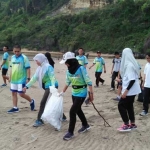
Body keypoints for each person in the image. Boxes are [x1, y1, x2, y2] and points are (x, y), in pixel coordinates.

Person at [23, 53, 66, 127]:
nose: (36, 62)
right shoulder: (39, 68)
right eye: (35, 61)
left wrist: (52, 87)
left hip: (51, 86)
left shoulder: (48, 67)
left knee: (43, 102)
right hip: (46, 86)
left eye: (37, 61)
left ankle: (39, 120)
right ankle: (63, 117)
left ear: (41, 60)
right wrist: (26, 86)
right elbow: (34, 78)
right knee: (52, 102)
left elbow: (52, 77)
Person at [59, 52, 93, 140]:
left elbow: (88, 81)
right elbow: (67, 82)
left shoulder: (81, 68)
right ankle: (85, 125)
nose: (65, 64)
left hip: (82, 92)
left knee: (72, 111)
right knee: (78, 110)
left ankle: (70, 132)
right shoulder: (68, 70)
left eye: (66, 62)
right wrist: (62, 92)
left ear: (71, 61)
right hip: (74, 93)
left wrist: (91, 94)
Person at [117, 48, 141, 131]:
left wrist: (125, 92)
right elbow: (129, 78)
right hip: (132, 90)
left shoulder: (130, 65)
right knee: (129, 106)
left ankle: (126, 124)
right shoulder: (129, 64)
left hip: (130, 91)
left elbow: (132, 80)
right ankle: (132, 124)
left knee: (121, 105)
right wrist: (121, 80)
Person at [7, 45, 35, 113]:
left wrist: (28, 78)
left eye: (18, 51)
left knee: (21, 94)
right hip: (14, 79)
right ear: (13, 51)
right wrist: (10, 77)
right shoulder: (12, 57)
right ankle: (15, 107)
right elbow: (11, 68)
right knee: (13, 93)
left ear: (20, 50)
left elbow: (28, 68)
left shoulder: (24, 58)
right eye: (15, 51)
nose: (16, 53)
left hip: (21, 79)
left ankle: (31, 101)